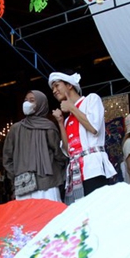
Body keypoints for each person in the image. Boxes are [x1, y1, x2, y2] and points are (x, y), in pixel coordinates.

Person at [50, 71, 116, 203]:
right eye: (52, 88)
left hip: (93, 168)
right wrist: (61, 123)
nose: (54, 91)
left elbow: (93, 127)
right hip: (75, 171)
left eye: (57, 86)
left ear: (69, 85)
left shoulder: (91, 99)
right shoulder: (68, 119)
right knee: (81, 215)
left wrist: (72, 108)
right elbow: (68, 150)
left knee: (96, 210)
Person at [2, 90, 67, 201]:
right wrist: (18, 175)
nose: (27, 103)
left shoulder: (49, 127)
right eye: (25, 100)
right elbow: (7, 158)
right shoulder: (15, 129)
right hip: (25, 187)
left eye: (32, 100)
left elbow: (58, 154)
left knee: (51, 216)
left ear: (41, 105)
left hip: (47, 186)